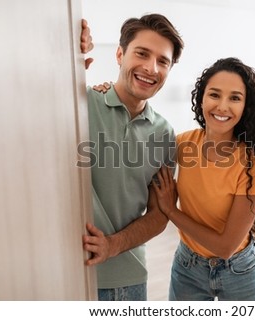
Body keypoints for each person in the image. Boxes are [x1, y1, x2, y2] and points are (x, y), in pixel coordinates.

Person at [151, 57, 255, 301]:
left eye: (235, 98)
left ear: (246, 106)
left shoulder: (251, 165)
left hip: (238, 272)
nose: (222, 106)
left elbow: (225, 247)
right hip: (187, 268)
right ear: (201, 98)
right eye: (214, 95)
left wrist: (171, 211)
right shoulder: (183, 144)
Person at [79, 14, 184, 301]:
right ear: (119, 54)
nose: (151, 68)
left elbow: (159, 215)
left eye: (163, 61)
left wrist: (112, 245)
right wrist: (71, 55)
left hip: (129, 280)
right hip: (71, 272)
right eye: (142, 53)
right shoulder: (81, 103)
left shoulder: (164, 133)